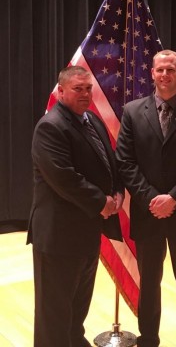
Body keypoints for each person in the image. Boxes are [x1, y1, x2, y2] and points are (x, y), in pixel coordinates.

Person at [116, 49, 176, 347]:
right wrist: (152, 199)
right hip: (149, 214)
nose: (164, 75)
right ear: (152, 72)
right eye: (159, 69)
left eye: (170, 69)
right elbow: (125, 162)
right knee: (149, 284)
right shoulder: (132, 111)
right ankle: (148, 339)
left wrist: (173, 198)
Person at [27, 65, 124, 347]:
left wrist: (117, 191)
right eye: (77, 89)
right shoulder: (50, 126)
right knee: (53, 313)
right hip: (58, 235)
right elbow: (64, 179)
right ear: (60, 91)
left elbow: (110, 161)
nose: (84, 94)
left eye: (88, 88)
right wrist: (102, 202)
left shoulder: (91, 120)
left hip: (86, 231)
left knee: (77, 306)